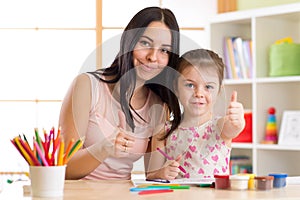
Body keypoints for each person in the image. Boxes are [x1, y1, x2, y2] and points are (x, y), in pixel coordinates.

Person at [59, 6, 181, 180]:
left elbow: (152, 176)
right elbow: (63, 168)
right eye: (145, 43)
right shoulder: (87, 86)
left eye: (164, 50)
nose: (153, 57)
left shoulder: (158, 105)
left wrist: (163, 172)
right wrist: (103, 148)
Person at [146, 49, 245, 180]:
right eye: (190, 85)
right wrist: (161, 173)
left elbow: (233, 128)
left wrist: (238, 122)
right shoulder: (162, 131)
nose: (199, 93)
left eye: (208, 87)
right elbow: (151, 175)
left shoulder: (220, 126)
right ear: (176, 87)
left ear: (219, 91)